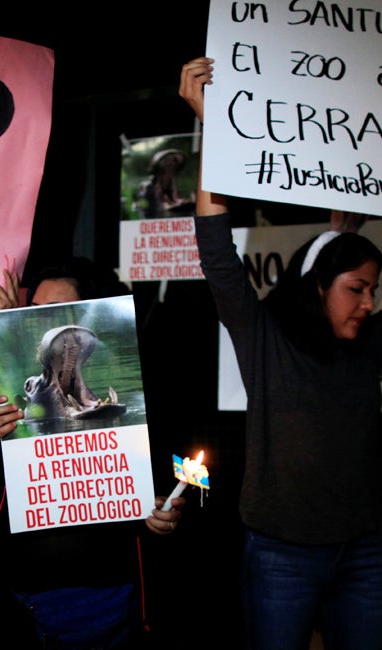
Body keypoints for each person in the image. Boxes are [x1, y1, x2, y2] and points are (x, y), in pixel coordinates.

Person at [180, 56, 382, 650]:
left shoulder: (369, 343)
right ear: (317, 286)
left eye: (374, 290)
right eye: (356, 289)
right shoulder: (266, 337)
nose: (368, 303)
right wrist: (214, 133)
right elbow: (218, 255)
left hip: (368, 548)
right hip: (280, 555)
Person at [0, 258, 186, 649]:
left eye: (60, 311)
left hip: (113, 603)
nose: (49, 321)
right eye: (38, 310)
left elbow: (169, 478)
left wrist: (166, 511)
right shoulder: (11, 388)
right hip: (24, 608)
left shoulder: (135, 391)